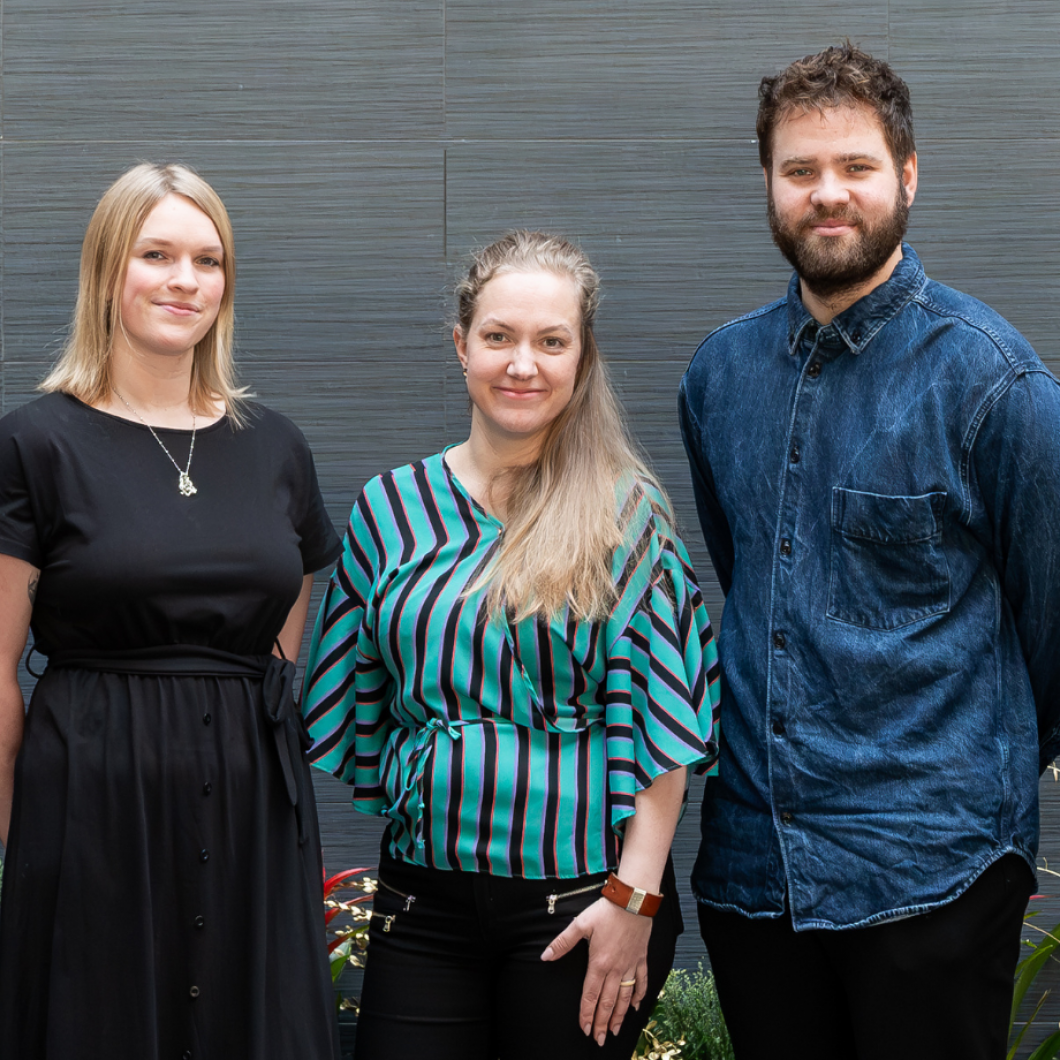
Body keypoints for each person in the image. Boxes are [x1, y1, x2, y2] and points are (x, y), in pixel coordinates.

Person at [679, 43, 1060, 1060]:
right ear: (768, 183)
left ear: (907, 174)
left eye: (853, 166)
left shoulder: (991, 381)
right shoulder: (717, 374)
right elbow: (753, 576)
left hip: (930, 872)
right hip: (757, 871)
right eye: (800, 171)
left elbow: (1052, 617)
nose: (826, 194)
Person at [303, 230, 720, 1060]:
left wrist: (633, 902)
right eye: (499, 337)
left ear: (581, 356)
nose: (521, 363)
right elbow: (366, 706)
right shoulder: (390, 508)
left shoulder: (623, 510)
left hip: (584, 902)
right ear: (462, 346)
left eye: (550, 341)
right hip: (423, 903)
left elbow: (661, 723)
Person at [0, 162, 342, 1059]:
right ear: (107, 269)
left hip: (249, 807)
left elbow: (279, 642)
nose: (185, 281)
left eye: (208, 259)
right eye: (156, 254)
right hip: (90, 802)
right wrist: (19, 849)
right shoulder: (36, 442)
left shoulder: (274, 445)